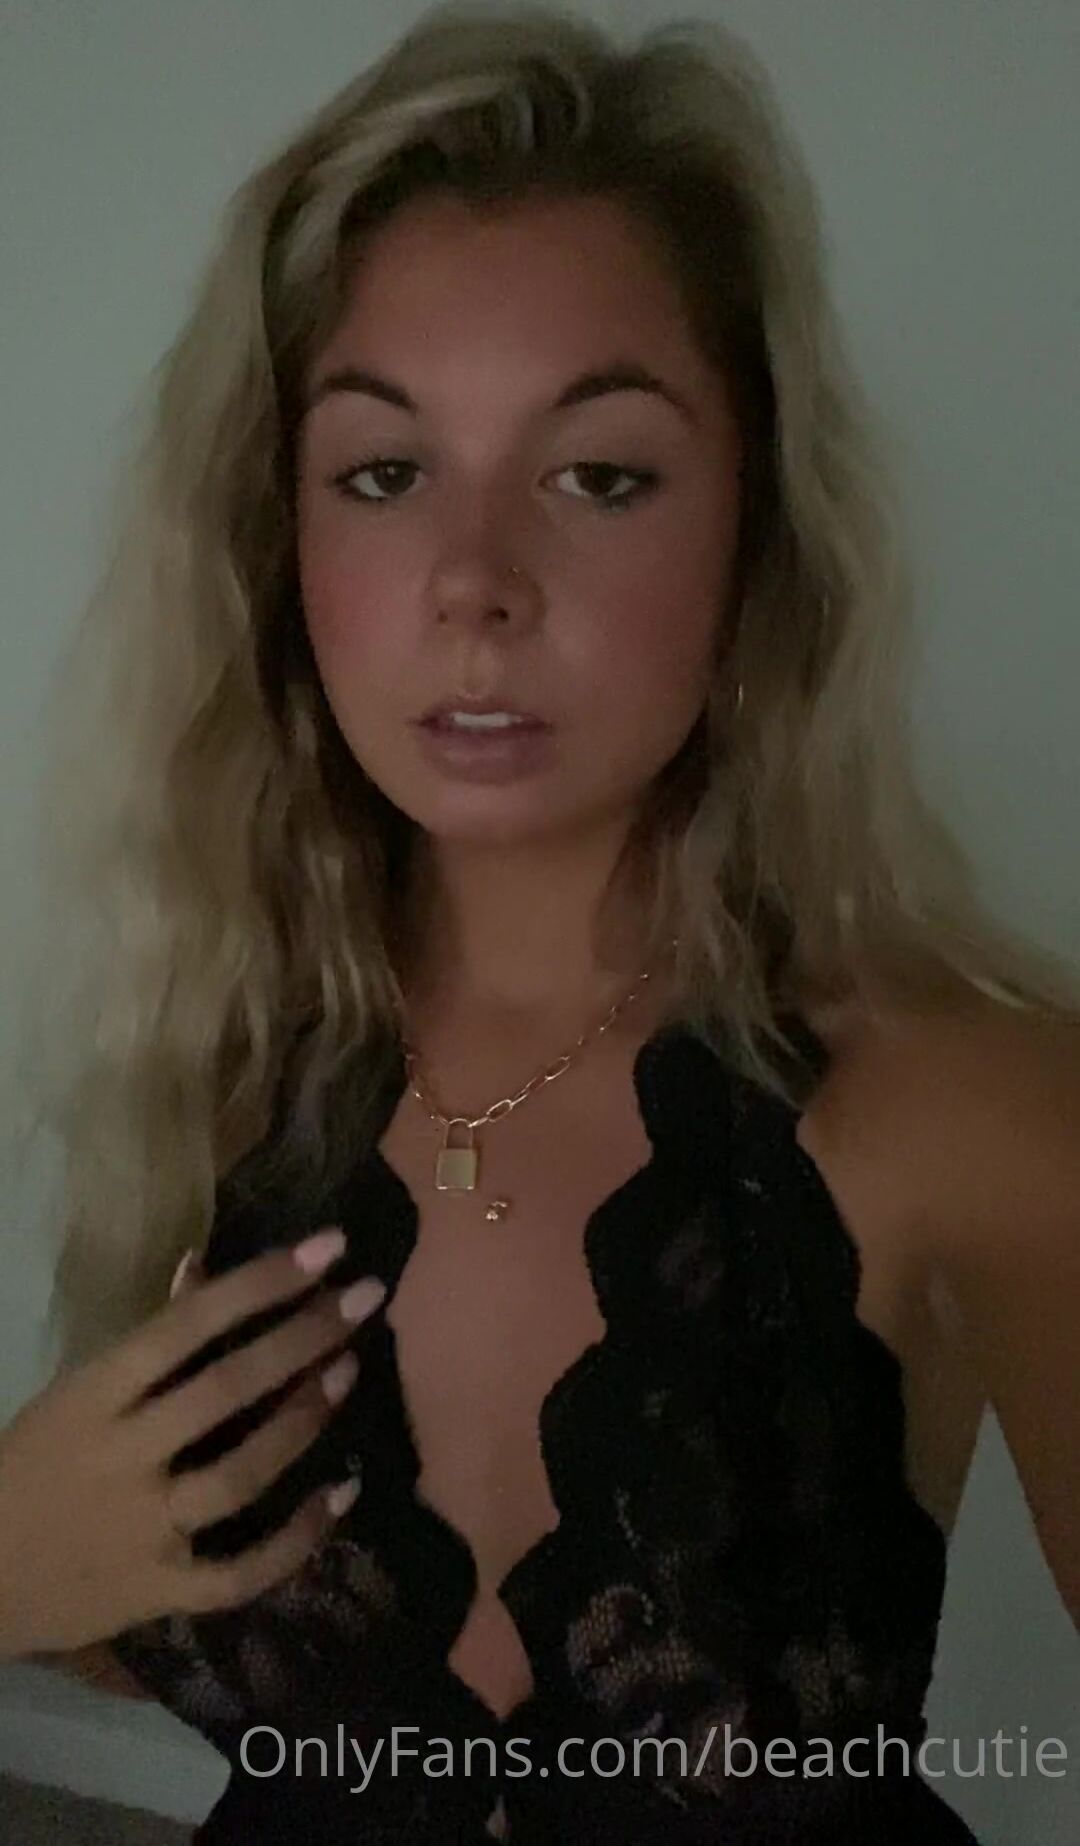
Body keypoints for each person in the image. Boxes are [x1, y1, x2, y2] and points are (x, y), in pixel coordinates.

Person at [8, 3, 1078, 1839]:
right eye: (383, 471)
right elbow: (158, 1604)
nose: (475, 584)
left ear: (758, 530)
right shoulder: (218, 1053)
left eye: (600, 475)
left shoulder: (975, 1112)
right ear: (279, 543)